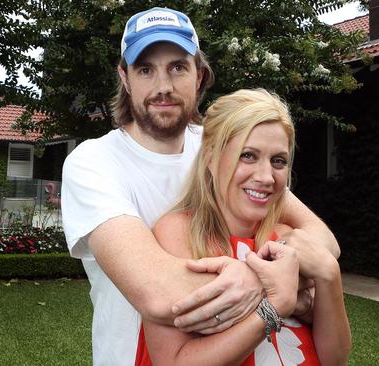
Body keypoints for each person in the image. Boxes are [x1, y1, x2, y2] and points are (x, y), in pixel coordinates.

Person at [61, 7, 340, 365]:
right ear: (125, 78)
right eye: (145, 69)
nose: (163, 87)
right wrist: (280, 287)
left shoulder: (224, 148)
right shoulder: (94, 162)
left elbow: (322, 241)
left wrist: (293, 268)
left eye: (178, 67)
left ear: (200, 75)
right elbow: (159, 293)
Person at [140, 89, 351, 365]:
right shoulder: (178, 233)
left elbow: (335, 360)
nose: (266, 177)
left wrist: (328, 274)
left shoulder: (289, 238)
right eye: (248, 155)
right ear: (211, 159)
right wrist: (274, 307)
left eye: (278, 161)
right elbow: (173, 361)